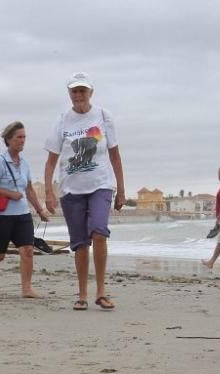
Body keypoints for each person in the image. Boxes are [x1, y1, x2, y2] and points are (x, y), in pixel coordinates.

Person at [43, 72, 125, 311]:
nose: (79, 95)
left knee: (99, 232)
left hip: (100, 184)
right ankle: (82, 294)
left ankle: (101, 291)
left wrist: (121, 188)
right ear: (70, 94)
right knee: (79, 243)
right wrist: (49, 191)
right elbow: (51, 161)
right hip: (71, 189)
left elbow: (115, 155)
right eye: (74, 91)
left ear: (91, 92)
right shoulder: (62, 121)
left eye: (83, 91)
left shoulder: (103, 116)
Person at [0, 121, 50, 298]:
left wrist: (40, 210)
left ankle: (26, 289)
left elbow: (29, 189)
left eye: (24, 137)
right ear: (9, 140)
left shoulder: (25, 163)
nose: (22, 140)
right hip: (1, 216)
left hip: (22, 215)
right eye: (19, 137)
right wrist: (8, 193)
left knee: (28, 250)